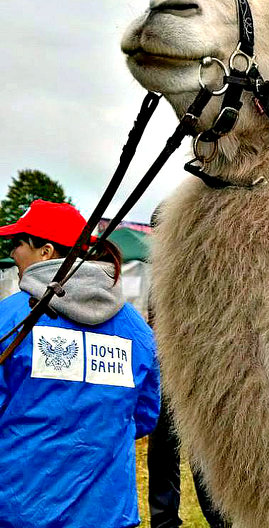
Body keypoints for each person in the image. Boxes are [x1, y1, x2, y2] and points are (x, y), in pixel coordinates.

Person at [0, 200, 160, 528]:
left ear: (45, 251)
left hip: (21, 511)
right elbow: (144, 416)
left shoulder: (11, 321)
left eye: (17, 243)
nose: (13, 252)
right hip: (110, 513)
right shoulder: (138, 330)